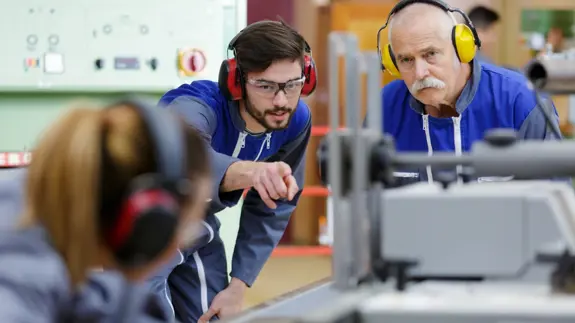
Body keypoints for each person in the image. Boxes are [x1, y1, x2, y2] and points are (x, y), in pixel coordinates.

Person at [150, 19, 314, 322]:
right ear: (236, 81)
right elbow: (188, 157)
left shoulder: (296, 119)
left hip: (196, 228)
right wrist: (253, 172)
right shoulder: (195, 105)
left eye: (292, 85)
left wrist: (238, 286)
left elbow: (275, 206)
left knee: (212, 315)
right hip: (140, 225)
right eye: (265, 86)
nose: (281, 101)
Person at [0, 98, 212, 322]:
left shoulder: (40, 221)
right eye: (185, 232)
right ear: (148, 227)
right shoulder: (18, 285)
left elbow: (91, 299)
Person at [374, 0, 560, 184]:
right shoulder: (385, 106)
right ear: (392, 63)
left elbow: (554, 200)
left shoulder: (522, 102)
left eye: (430, 54)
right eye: (406, 60)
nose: (420, 73)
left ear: (462, 48)